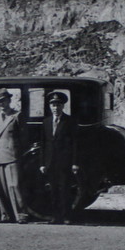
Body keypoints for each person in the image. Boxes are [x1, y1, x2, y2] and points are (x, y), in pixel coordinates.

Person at [39, 91, 79, 224]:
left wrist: (74, 163)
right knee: (53, 190)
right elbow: (43, 143)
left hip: (64, 162)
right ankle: (55, 216)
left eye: (58, 105)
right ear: (50, 107)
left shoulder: (70, 121)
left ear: (63, 106)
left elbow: (74, 143)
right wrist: (42, 163)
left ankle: (66, 216)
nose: (55, 108)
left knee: (65, 190)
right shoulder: (46, 122)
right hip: (50, 162)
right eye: (53, 105)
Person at [0, 89, 29, 224]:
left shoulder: (17, 116)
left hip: (12, 154)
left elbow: (23, 137)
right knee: (1, 188)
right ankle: (5, 215)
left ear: (9, 101)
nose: (1, 104)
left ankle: (21, 215)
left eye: (4, 101)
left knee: (15, 186)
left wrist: (18, 152)